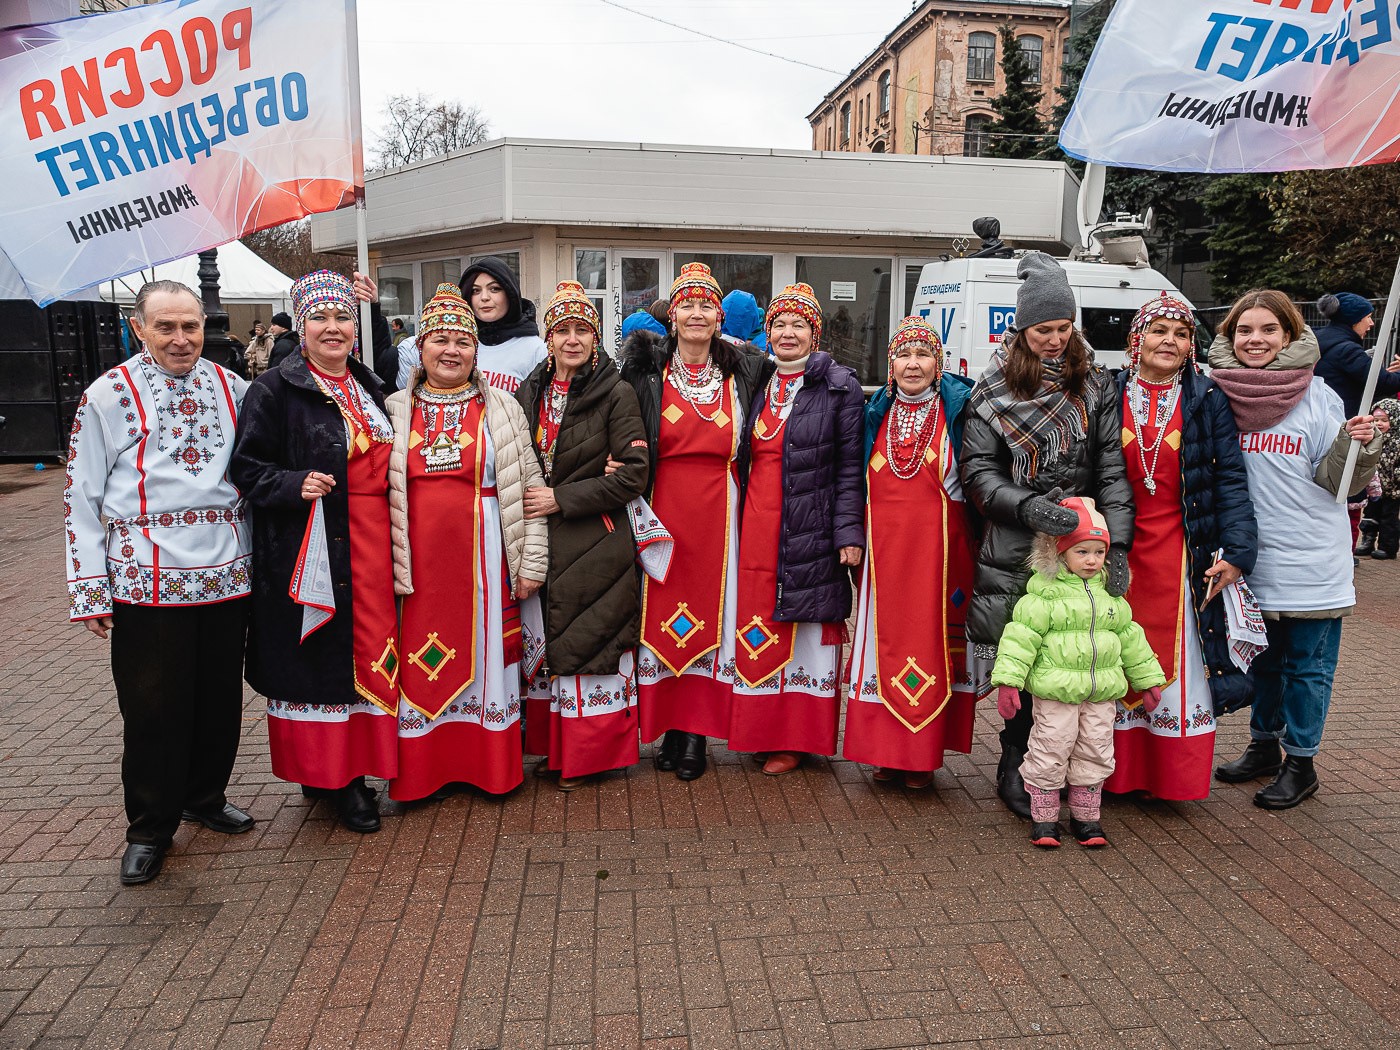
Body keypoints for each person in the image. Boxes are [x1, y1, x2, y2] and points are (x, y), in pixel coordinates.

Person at [65, 280, 254, 885]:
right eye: (166, 327)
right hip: (146, 580)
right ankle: (150, 827)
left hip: (227, 574)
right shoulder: (107, 395)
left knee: (218, 701)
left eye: (190, 326)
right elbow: (81, 497)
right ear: (139, 329)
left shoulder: (233, 388)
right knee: (153, 710)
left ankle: (204, 796)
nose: (181, 339)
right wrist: (90, 587)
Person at [960, 252, 1135, 820]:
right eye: (1043, 330)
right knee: (1023, 659)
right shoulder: (992, 389)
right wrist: (1031, 507)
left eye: (1063, 328)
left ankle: (1064, 770)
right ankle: (1016, 766)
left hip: (1082, 544)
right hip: (1016, 544)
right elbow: (979, 476)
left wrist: (1119, 545)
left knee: (1070, 655)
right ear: (1021, 328)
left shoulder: (1095, 383)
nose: (1055, 340)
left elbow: (1111, 468)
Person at [231, 270, 399, 833]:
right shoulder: (275, 389)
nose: (334, 328)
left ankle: (357, 766)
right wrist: (291, 483)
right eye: (321, 318)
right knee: (322, 661)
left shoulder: (370, 385)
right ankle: (338, 782)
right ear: (301, 327)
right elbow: (247, 469)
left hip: (373, 546)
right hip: (313, 549)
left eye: (343, 317)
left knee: (368, 655)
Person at [1208, 290, 1388, 808]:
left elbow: (1342, 486)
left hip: (1310, 562)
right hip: (1248, 561)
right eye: (1244, 330)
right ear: (1230, 336)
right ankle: (1263, 747)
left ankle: (1301, 763)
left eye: (1269, 330)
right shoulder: (1216, 393)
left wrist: (1359, 444)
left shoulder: (1319, 396)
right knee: (1262, 662)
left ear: (1289, 335)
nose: (1256, 340)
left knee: (1307, 669)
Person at [384, 284, 548, 800]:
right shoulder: (393, 409)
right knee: (420, 658)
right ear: (421, 346)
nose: (451, 350)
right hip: (418, 559)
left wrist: (530, 564)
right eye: (440, 340)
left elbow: (528, 485)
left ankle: (488, 768)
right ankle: (424, 771)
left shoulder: (502, 406)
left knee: (485, 661)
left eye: (463, 341)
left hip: (487, 553)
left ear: (477, 350)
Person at [620, 262, 774, 781]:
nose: (696, 313)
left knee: (715, 616)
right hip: (660, 506)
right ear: (672, 314)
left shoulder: (746, 371)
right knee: (657, 615)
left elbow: (799, 381)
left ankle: (695, 738)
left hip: (720, 509)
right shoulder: (643, 372)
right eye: (686, 303)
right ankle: (665, 726)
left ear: (718, 314)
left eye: (706, 304)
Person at [1105, 294, 1259, 801]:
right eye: (1159, 331)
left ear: (1192, 345)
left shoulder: (1206, 397)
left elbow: (1231, 481)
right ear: (1137, 339)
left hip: (1184, 552)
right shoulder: (1108, 392)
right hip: (1116, 552)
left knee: (1181, 665)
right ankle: (1115, 776)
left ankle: (1168, 779)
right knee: (1113, 659)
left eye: (1181, 333)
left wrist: (1237, 551)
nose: (1169, 341)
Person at [517, 281, 650, 789]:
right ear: (548, 337)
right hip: (543, 540)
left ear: (596, 338)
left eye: (582, 330)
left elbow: (634, 473)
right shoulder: (530, 390)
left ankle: (589, 759)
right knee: (551, 644)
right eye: (562, 330)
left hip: (597, 538)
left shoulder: (617, 393)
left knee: (590, 645)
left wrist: (563, 498)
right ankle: (555, 750)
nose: (572, 339)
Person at [727, 284, 863, 774]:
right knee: (760, 625)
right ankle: (760, 730)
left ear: (814, 334)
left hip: (811, 525)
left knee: (805, 629)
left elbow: (850, 468)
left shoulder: (839, 387)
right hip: (756, 527)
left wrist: (848, 534)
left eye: (799, 325)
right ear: (768, 333)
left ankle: (795, 738)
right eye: (780, 324)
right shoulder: (756, 383)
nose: (788, 333)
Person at [842, 318, 979, 788]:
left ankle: (921, 758)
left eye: (924, 354)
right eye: (904, 354)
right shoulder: (872, 414)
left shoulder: (961, 411)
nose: (913, 364)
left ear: (938, 363)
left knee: (930, 646)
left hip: (938, 557)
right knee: (883, 645)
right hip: (882, 557)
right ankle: (886, 753)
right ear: (891, 363)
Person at [991, 498, 1166, 848]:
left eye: (1098, 553)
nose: (1091, 560)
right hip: (1056, 692)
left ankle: (1086, 819)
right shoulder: (1044, 596)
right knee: (1050, 747)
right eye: (1082, 551)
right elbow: (1020, 637)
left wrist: (1147, 680)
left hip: (1100, 692)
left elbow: (1130, 637)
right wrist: (1009, 682)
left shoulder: (1112, 599)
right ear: (1060, 553)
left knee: (1096, 749)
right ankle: (1044, 819)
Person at [458, 257, 548, 394]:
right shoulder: (456, 345)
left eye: (494, 289)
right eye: (475, 290)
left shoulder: (536, 350)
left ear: (510, 293)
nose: (484, 297)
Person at [1357, 396, 1400, 560]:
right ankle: (1368, 542)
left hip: (1392, 489)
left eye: (1384, 420)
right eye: (1376, 420)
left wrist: (1396, 476)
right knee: (1369, 515)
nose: (1379, 424)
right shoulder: (1371, 438)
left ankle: (1387, 547)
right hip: (1372, 488)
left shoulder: (1397, 441)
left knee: (1388, 518)